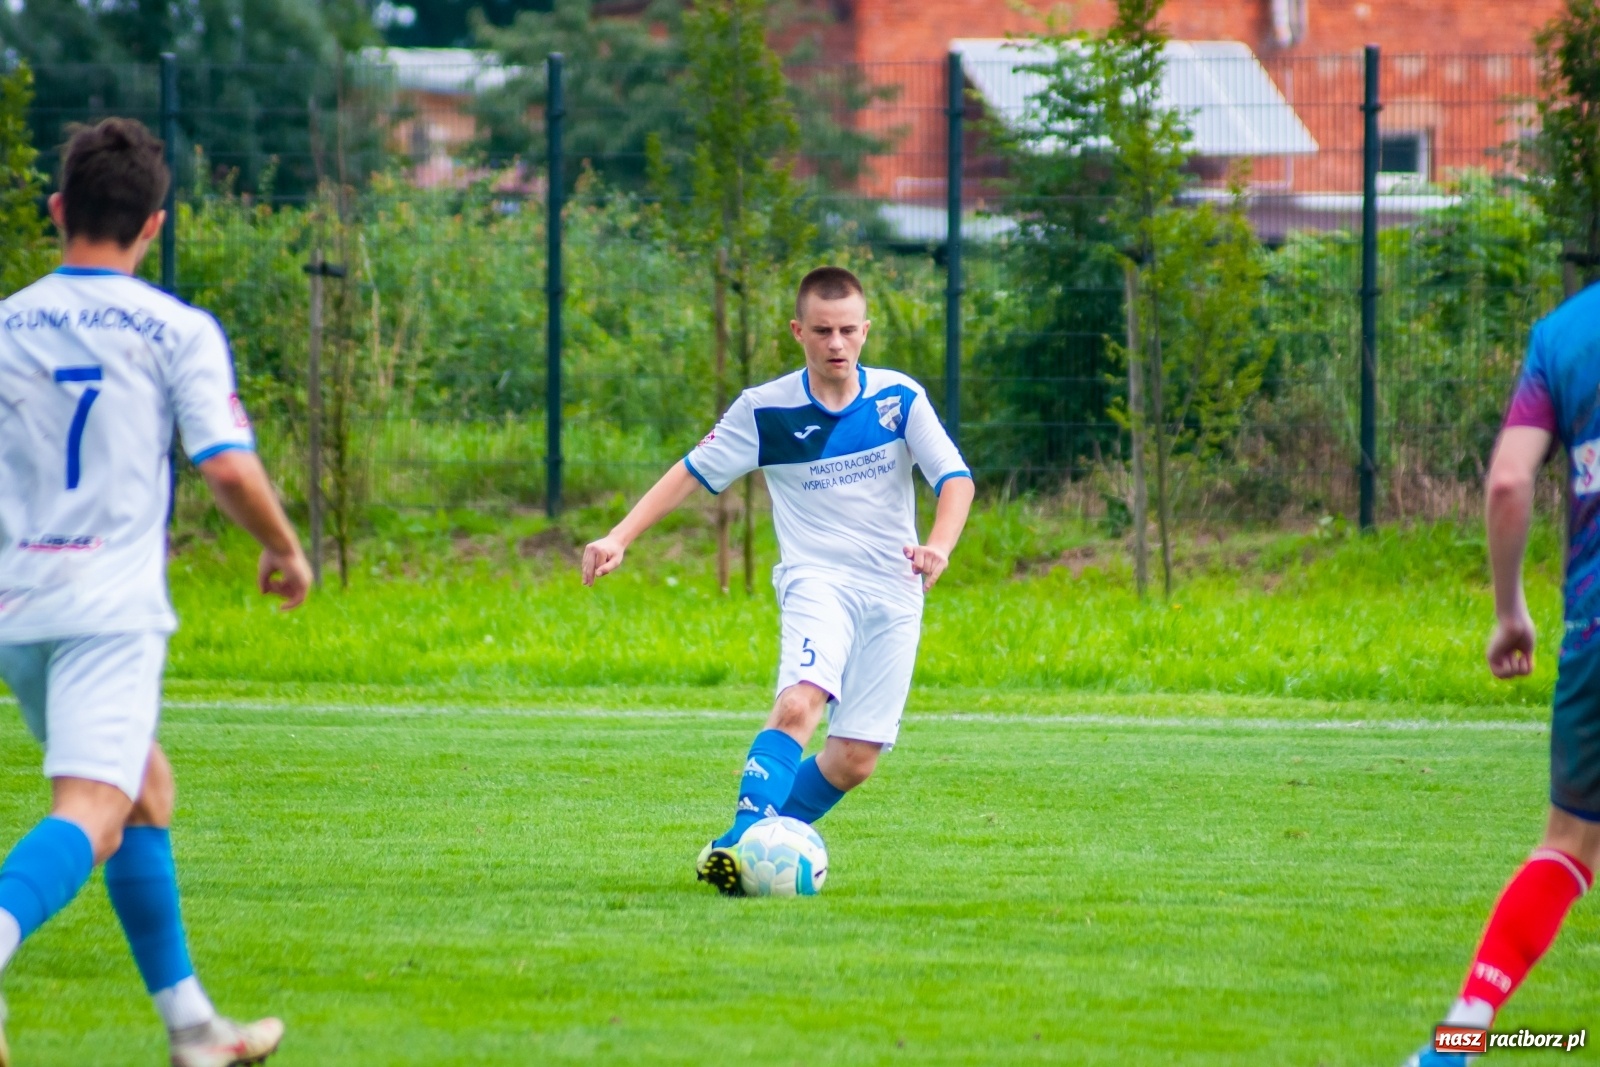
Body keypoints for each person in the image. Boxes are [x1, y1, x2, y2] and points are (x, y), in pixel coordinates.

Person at [0, 118, 309, 1066]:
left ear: (58, 209)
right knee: (95, 806)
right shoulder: (175, 328)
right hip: (108, 609)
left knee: (143, 788)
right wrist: (285, 547)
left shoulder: (7, 322)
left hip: (17, 604)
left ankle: (193, 1027)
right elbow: (227, 466)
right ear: (154, 224)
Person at [582, 265, 974, 894]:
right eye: (822, 331)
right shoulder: (765, 410)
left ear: (866, 330)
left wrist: (939, 546)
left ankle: (746, 845)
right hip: (817, 581)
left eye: (848, 330)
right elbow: (691, 470)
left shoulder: (899, 399)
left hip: (895, 590)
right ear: (798, 331)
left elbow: (955, 479)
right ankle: (741, 847)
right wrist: (618, 536)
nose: (837, 343)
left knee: (853, 760)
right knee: (798, 702)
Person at [1404, 281, 1600, 1065]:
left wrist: (1510, 610)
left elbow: (1510, 481)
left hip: (1594, 630)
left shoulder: (1565, 334)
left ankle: (1456, 1040)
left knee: (1568, 845)